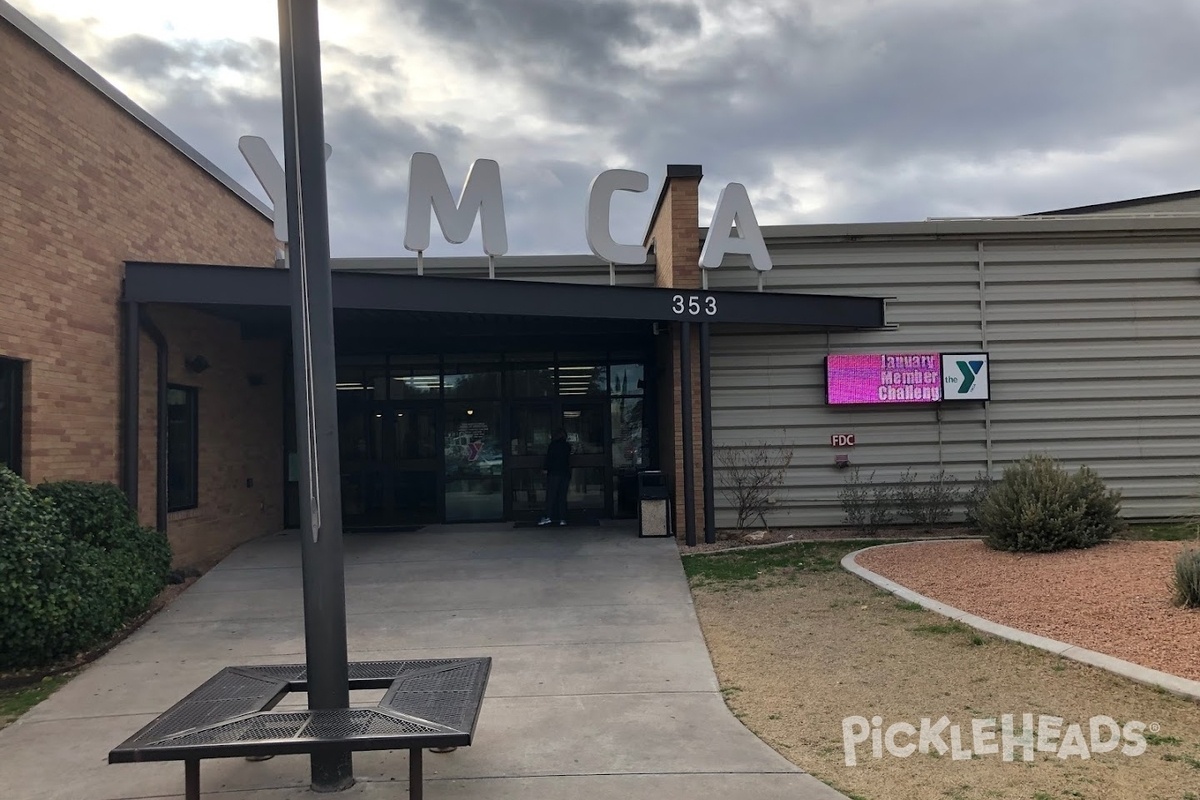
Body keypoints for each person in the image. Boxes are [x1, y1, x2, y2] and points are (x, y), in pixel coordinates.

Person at [538, 428, 571, 526]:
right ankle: (563, 518)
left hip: (554, 474)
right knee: (562, 496)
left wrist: (545, 469)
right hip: (565, 473)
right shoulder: (567, 446)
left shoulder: (553, 445)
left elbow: (549, 458)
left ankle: (548, 516)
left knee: (551, 496)